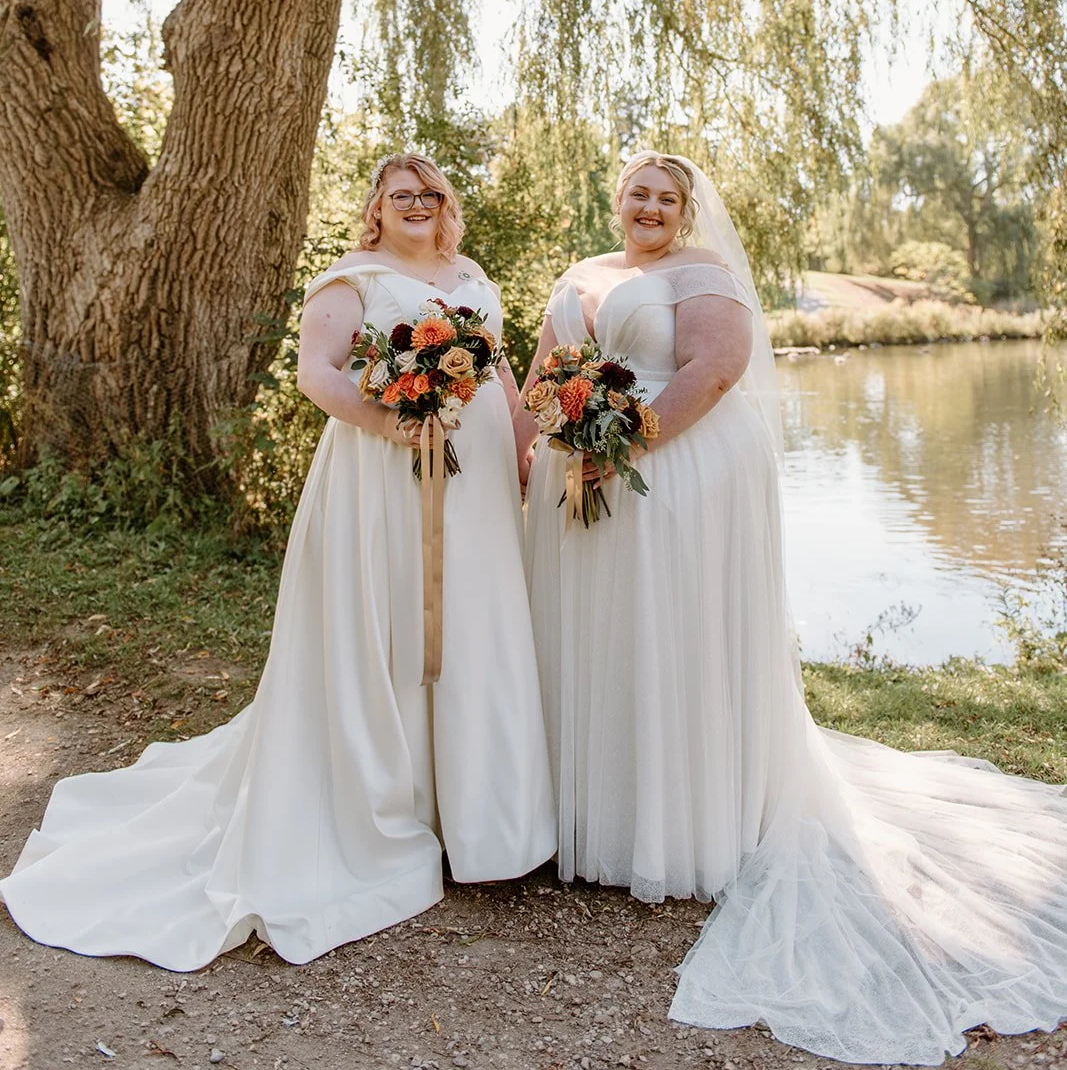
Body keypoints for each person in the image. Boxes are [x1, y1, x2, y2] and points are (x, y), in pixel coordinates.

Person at [517, 150, 1067, 1065]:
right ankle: (584, 809)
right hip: (578, 473)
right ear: (616, 200)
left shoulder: (701, 273)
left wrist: (623, 449)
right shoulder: (580, 273)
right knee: (593, 639)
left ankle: (674, 822)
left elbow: (714, 370)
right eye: (636, 193)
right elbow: (541, 375)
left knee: (668, 640)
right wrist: (533, 450)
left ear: (685, 210)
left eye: (665, 197)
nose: (649, 207)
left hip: (671, 472)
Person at [1, 152, 554, 970]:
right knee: (389, 618)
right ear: (375, 207)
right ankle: (385, 807)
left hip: (474, 485)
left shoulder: (470, 273)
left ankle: (483, 818)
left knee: (475, 622)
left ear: (446, 204)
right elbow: (316, 374)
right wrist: (391, 423)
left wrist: (520, 453)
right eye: (399, 193)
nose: (416, 203)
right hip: (382, 475)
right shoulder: (352, 279)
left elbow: (499, 369)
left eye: (429, 193)